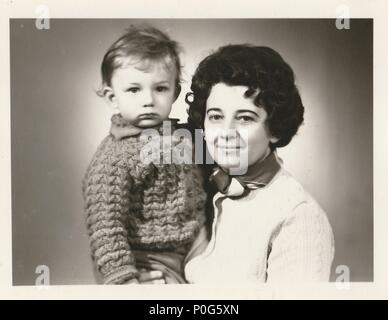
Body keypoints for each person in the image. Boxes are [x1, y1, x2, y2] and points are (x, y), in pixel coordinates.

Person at [184, 44, 335, 283]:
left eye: (245, 118)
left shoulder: (299, 216)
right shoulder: (205, 188)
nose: (225, 132)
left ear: (274, 129)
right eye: (215, 116)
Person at [82, 25, 207, 284]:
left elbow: (210, 168)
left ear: (175, 92)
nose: (148, 100)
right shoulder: (115, 156)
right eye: (134, 90)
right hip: (151, 256)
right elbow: (105, 225)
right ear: (112, 97)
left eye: (160, 88)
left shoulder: (183, 136)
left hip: (197, 243)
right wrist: (123, 279)